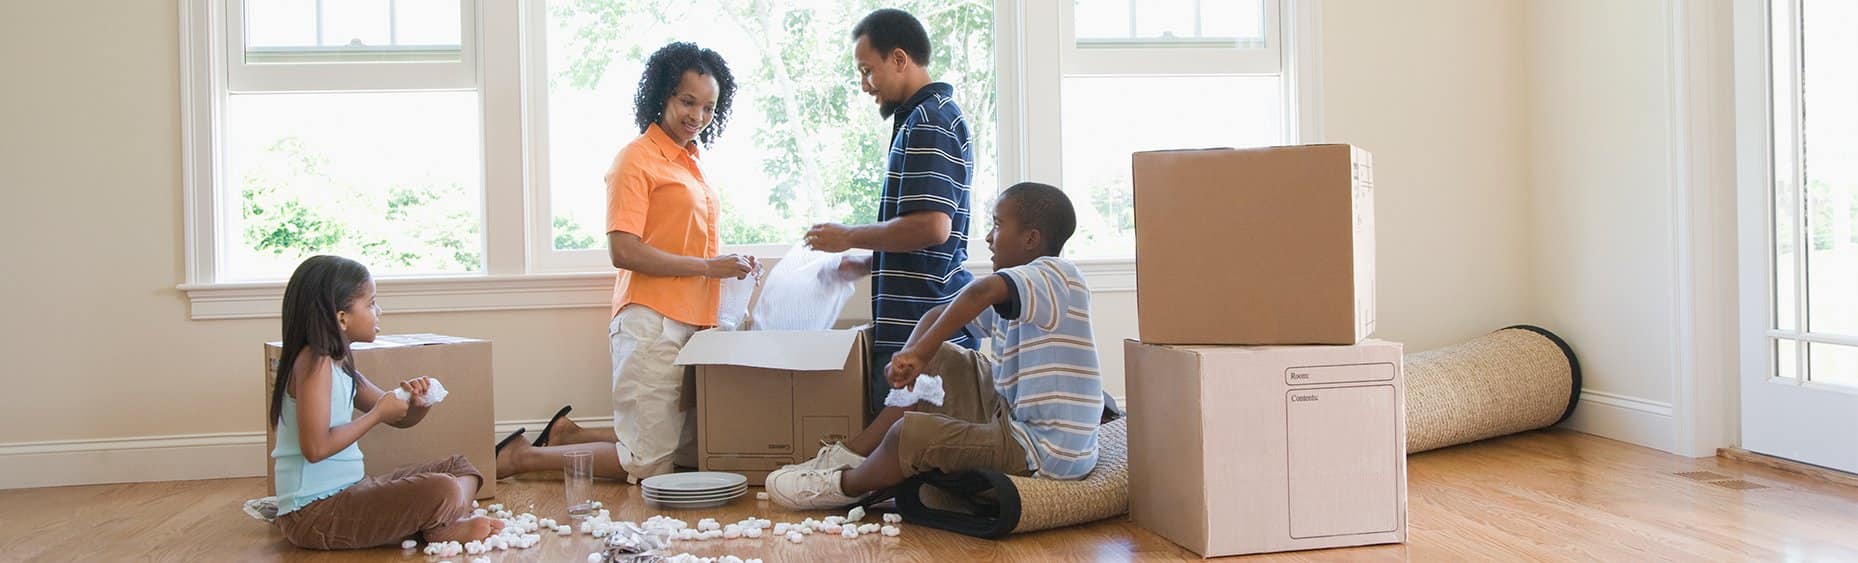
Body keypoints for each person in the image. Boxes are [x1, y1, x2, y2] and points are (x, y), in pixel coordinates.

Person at [497, 42, 756, 483]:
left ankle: (565, 435)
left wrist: (724, 269)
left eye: (709, 107)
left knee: (681, 443)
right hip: (651, 321)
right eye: (687, 102)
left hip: (693, 321)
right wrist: (710, 267)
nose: (697, 116)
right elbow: (624, 250)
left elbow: (682, 241)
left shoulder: (692, 163)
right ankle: (521, 457)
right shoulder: (636, 159)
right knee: (648, 463)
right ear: (663, 96)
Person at [767, 182, 1104, 508]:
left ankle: (843, 485)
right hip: (1013, 419)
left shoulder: (1059, 275)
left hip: (1045, 453)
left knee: (907, 435)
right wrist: (910, 356)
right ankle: (854, 453)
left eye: (998, 225)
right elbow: (938, 315)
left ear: (1031, 239)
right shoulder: (1023, 290)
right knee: (939, 358)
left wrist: (919, 353)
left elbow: (979, 292)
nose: (988, 237)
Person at [804, 8, 978, 419]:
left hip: (919, 322)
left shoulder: (929, 121)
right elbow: (927, 236)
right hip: (918, 316)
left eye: (868, 71)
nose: (865, 85)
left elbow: (934, 226)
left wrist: (849, 236)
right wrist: (867, 261)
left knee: (906, 454)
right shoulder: (923, 117)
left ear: (899, 59)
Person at [269, 255, 501, 549]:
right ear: (342, 317)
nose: (379, 311)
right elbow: (315, 449)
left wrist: (417, 404)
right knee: (442, 488)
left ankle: (441, 519)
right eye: (370, 303)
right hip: (314, 513)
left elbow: (398, 417)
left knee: (459, 466)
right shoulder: (314, 364)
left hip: (352, 490)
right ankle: (442, 525)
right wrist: (377, 413)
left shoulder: (342, 365)